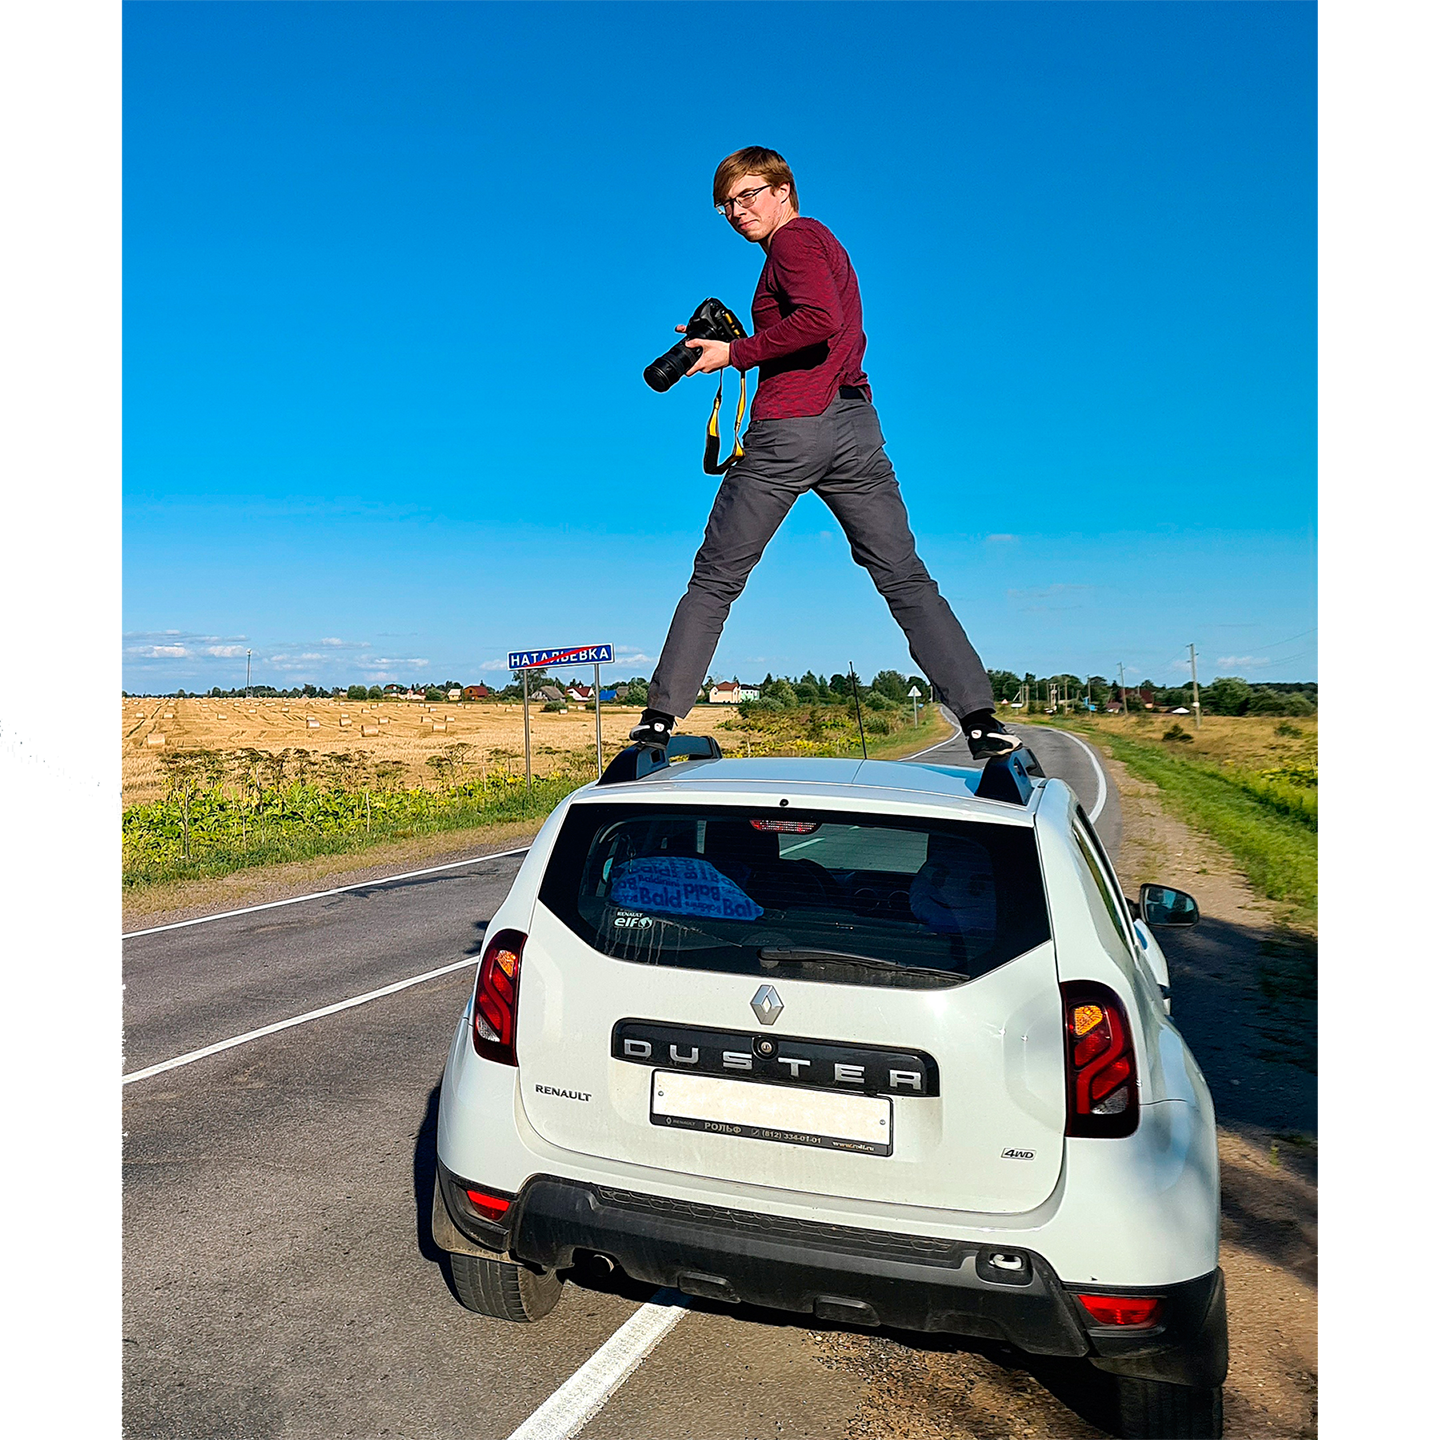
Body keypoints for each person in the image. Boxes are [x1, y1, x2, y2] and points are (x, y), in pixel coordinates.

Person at [631, 146, 1021, 761]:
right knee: (904, 575)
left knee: (716, 577)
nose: (738, 212)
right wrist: (746, 342)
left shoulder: (795, 240)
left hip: (792, 427)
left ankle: (657, 725)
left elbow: (818, 319)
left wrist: (731, 354)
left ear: (784, 189)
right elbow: (823, 323)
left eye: (749, 195)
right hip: (856, 429)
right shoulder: (823, 245)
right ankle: (981, 721)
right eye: (726, 206)